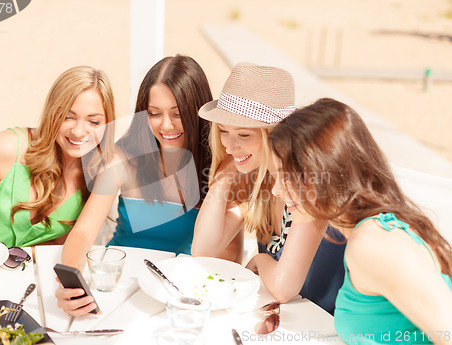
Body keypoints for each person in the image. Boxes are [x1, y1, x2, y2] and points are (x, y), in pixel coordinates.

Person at [57, 55, 242, 316]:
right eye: (155, 114)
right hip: (120, 286)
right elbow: (84, 232)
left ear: (197, 113)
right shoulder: (123, 159)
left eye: (177, 114)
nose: (165, 125)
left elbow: (229, 257)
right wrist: (72, 284)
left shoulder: (221, 168)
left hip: (183, 294)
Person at [269, 98, 452, 344]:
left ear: (323, 174)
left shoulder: (375, 243)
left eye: (286, 176)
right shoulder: (364, 233)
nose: (275, 190)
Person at [192, 62, 346, 314]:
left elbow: (285, 288)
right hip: (283, 319)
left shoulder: (307, 184)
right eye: (223, 131)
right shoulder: (256, 177)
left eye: (244, 135)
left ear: (275, 134)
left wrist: (259, 260)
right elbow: (202, 251)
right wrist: (224, 176)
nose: (230, 146)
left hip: (327, 324)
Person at [0, 66, 116, 247]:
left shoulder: (97, 176)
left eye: (94, 121)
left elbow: (56, 246)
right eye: (67, 117)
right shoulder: (7, 148)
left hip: (18, 273)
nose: (78, 131)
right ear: (52, 114)